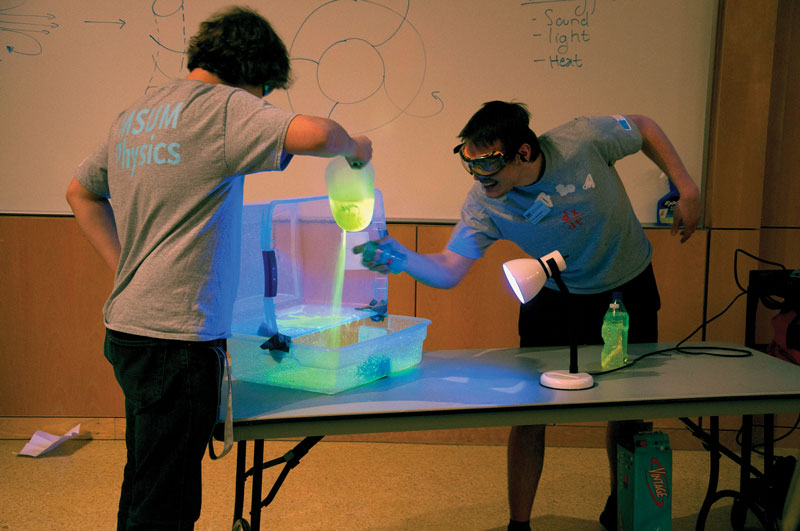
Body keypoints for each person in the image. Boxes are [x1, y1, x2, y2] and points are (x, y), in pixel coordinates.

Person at [65, 6, 372, 529]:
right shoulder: (224, 107)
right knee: (168, 497)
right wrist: (357, 149)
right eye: (265, 92)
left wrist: (127, 272)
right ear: (253, 72)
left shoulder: (138, 114)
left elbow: (80, 192)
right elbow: (319, 134)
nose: (262, 105)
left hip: (130, 329)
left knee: (146, 475)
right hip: (177, 338)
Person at [355, 101, 700, 530]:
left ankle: (621, 505)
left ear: (522, 153)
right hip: (552, 292)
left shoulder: (582, 141)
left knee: (628, 409)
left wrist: (686, 187)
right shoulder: (485, 204)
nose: (481, 177)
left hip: (626, 283)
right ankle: (519, 524)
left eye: (490, 165)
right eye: (471, 165)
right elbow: (448, 270)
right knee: (530, 412)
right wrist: (401, 257)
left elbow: (644, 126)